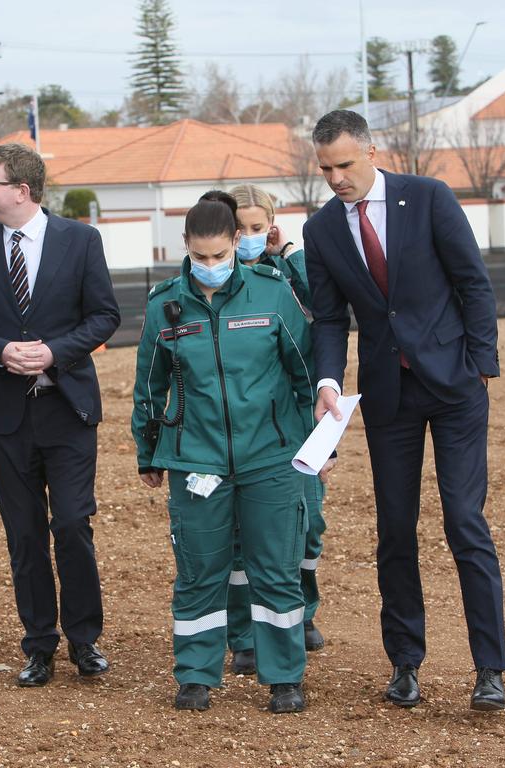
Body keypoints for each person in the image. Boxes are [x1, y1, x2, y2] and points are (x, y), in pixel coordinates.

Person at [303, 110, 505, 711]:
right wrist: (327, 381)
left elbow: (473, 281)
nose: (336, 177)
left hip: (454, 386)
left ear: (371, 150)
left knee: (464, 522)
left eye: (344, 163)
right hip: (387, 395)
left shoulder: (429, 197)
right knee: (395, 530)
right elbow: (331, 317)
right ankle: (405, 663)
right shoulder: (321, 231)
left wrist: (482, 362)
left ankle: (489, 669)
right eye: (326, 168)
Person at [132, 192, 327, 714]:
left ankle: (284, 676)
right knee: (199, 570)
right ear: (187, 248)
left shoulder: (272, 294)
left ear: (237, 242)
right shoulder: (164, 305)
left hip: (271, 457)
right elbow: (148, 386)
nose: (211, 266)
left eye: (220, 255)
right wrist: (148, 452)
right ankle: (196, 674)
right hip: (196, 459)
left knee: (275, 569)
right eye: (201, 256)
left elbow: (304, 373)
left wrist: (316, 442)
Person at [0, 143, 120, 688]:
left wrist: (56, 351)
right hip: (5, 415)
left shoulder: (81, 240)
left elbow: (104, 315)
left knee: (72, 524)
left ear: (22, 190)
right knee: (23, 535)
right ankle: (39, 645)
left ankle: (84, 640)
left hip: (67, 409)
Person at [203, 187, 328, 675]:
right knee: (240, 542)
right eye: (244, 229)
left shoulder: (284, 272)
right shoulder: (215, 277)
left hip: (294, 427)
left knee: (306, 526)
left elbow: (324, 307)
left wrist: (288, 254)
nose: (252, 238)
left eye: (261, 228)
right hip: (242, 434)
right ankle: (244, 635)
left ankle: (303, 613)